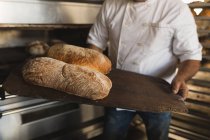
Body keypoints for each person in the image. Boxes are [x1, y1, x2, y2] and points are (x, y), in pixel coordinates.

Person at [87, 0, 202, 139]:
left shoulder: (176, 8)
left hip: (159, 93)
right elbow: (96, 42)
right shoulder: (111, 4)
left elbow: (191, 57)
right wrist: (92, 70)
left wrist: (181, 78)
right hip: (117, 91)